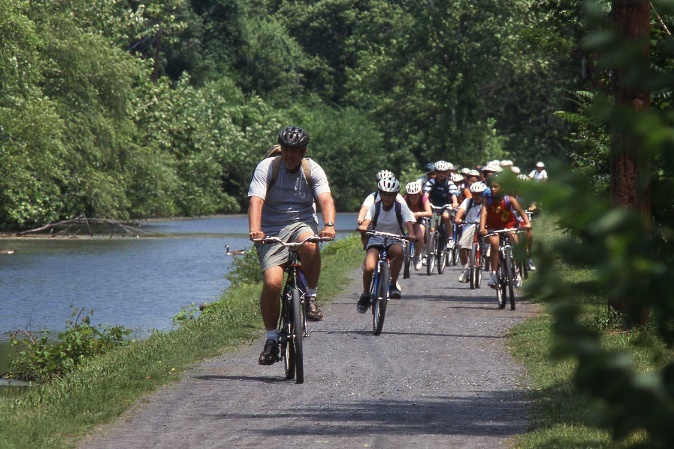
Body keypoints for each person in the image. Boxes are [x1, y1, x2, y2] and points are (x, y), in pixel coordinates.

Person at [248, 125, 336, 365]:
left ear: (303, 151)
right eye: (286, 150)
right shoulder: (267, 168)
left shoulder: (312, 169)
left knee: (309, 245)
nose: (289, 155)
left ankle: (311, 297)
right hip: (271, 229)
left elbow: (325, 198)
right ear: (281, 150)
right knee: (272, 284)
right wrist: (255, 229)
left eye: (295, 151)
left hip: (301, 223)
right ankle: (271, 339)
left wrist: (329, 225)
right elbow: (256, 201)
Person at [357, 178, 417, 312]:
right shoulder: (375, 207)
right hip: (376, 239)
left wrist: (411, 234)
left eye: (390, 195)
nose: (387, 197)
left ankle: (393, 284)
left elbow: (409, 224)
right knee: (369, 267)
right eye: (384, 194)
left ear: (395, 195)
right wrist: (364, 226)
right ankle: (366, 294)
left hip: (394, 239)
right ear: (380, 194)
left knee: (398, 252)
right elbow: (367, 221)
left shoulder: (401, 208)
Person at [479, 176, 531, 289]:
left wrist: (527, 223)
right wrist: (482, 228)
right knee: (494, 244)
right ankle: (493, 274)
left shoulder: (509, 199)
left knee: (515, 242)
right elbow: (484, 213)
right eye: (491, 187)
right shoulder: (487, 200)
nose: (493, 189)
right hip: (493, 227)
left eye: (496, 187)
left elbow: (520, 211)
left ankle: (516, 271)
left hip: (509, 225)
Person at [454, 181, 487, 282]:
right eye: (475, 194)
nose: (477, 196)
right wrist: (459, 220)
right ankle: (465, 269)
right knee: (461, 245)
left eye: (479, 194)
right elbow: (459, 214)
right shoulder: (468, 201)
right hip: (470, 224)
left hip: (485, 226)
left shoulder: (488, 203)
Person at [423, 160, 459, 237]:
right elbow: (426, 193)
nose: (441, 174)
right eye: (439, 172)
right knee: (432, 228)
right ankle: (432, 244)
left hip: (446, 206)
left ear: (447, 173)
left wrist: (455, 202)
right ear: (435, 172)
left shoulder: (449, 183)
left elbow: (453, 194)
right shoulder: (431, 182)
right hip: (434, 206)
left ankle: (450, 237)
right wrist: (424, 202)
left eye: (443, 172)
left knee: (445, 216)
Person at [403, 181, 432, 270]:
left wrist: (418, 214)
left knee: (419, 237)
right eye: (411, 196)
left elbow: (429, 213)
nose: (414, 198)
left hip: (419, 218)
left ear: (419, 194)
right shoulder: (404, 200)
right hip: (407, 219)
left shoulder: (423, 199)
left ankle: (417, 255)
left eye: (416, 195)